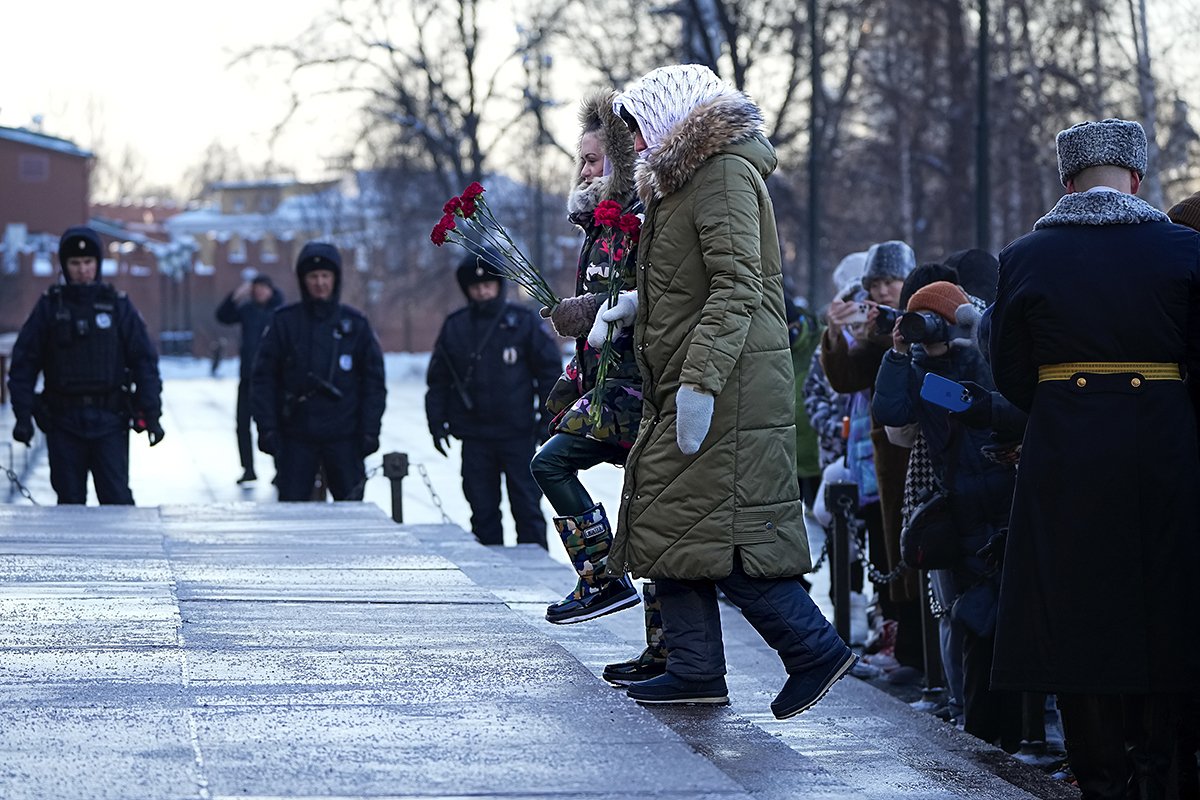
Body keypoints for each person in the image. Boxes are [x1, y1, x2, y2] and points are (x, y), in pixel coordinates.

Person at [598, 64, 855, 716]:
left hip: (726, 385)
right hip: (699, 377)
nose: (637, 144)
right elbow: (693, 278)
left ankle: (813, 650)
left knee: (728, 536)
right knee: (670, 520)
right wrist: (634, 305)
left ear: (672, 119)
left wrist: (699, 382)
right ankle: (694, 669)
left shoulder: (723, 175)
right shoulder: (685, 181)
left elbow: (739, 285)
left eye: (640, 129)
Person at [990, 118, 1200, 798]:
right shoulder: (1184, 250)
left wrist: (1066, 406)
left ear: (1067, 180)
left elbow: (1011, 372)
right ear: (1136, 179)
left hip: (1064, 456)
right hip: (1164, 450)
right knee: (1165, 609)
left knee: (1073, 614)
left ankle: (1099, 775)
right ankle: (1162, 771)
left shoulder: (1024, 256)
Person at [871, 280, 1022, 752]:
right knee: (971, 616)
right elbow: (889, 410)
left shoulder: (981, 356)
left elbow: (1009, 401)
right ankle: (978, 723)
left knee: (1006, 617)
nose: (923, 328)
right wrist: (897, 353)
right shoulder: (917, 369)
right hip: (956, 504)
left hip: (1005, 496)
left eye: (931, 317)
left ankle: (1014, 729)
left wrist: (970, 336)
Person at [530, 91, 651, 654]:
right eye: (581, 159)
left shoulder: (641, 220)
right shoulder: (599, 225)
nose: (583, 170)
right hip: (606, 384)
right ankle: (662, 643)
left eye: (593, 160)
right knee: (649, 514)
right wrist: (574, 376)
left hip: (637, 390)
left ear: (622, 162)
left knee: (555, 465)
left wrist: (591, 309)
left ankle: (606, 582)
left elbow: (656, 296)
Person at [820, 240, 925, 680]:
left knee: (916, 548)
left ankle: (919, 654)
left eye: (891, 281)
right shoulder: (872, 330)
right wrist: (836, 333)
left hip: (920, 452)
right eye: (876, 283)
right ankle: (906, 648)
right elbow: (845, 379)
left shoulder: (923, 322)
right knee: (889, 550)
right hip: (883, 458)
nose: (883, 291)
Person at [7, 225, 163, 504]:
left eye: (88, 262)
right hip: (63, 421)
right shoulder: (50, 308)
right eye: (75, 263)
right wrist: (23, 415)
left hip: (110, 420)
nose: (82, 270)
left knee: (117, 502)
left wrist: (151, 411)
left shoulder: (117, 306)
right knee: (69, 504)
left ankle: (121, 551)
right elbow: (24, 364)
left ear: (98, 264)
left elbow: (144, 361)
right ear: (65, 266)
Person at [426, 251, 562, 548]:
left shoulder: (523, 322)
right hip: (475, 437)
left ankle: (538, 575)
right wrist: (436, 421)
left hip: (518, 434)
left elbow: (550, 373)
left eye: (488, 284)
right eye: (476, 287)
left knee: (527, 508)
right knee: (482, 510)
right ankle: (491, 574)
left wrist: (548, 419)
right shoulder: (456, 326)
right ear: (466, 289)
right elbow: (438, 380)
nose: (482, 291)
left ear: (499, 285)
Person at [252, 241, 386, 502]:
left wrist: (370, 430)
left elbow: (373, 382)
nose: (320, 283)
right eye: (313, 277)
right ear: (303, 280)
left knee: (351, 514)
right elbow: (263, 379)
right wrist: (267, 428)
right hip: (295, 438)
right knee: (294, 515)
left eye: (326, 276)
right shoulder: (284, 322)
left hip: (345, 438)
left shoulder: (355, 324)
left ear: (335, 279)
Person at [215, 273, 283, 484]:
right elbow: (223, 316)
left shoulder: (280, 312)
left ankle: (280, 468)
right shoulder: (247, 310)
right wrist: (236, 295)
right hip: (248, 377)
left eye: (263, 288)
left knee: (276, 424)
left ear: (270, 290)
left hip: (274, 379)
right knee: (242, 424)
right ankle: (248, 468)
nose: (259, 292)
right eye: (256, 288)